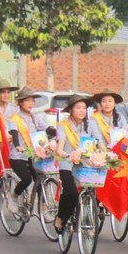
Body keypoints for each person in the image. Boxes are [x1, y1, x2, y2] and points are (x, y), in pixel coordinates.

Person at [55, 93, 96, 233]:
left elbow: (98, 142)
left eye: (84, 108)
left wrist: (106, 152)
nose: (82, 111)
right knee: (71, 193)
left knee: (93, 191)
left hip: (85, 165)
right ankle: (61, 217)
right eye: (78, 107)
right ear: (71, 110)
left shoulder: (90, 125)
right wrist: (60, 151)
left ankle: (88, 220)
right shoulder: (64, 125)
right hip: (67, 164)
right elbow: (61, 142)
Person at [6, 87, 48, 213]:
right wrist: (17, 145)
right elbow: (13, 132)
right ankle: (13, 197)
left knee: (40, 179)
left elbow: (46, 129)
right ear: (20, 102)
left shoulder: (35, 118)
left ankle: (44, 210)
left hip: (33, 155)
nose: (31, 103)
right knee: (26, 179)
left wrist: (59, 133)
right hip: (18, 156)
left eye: (32, 101)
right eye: (27, 100)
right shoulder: (15, 118)